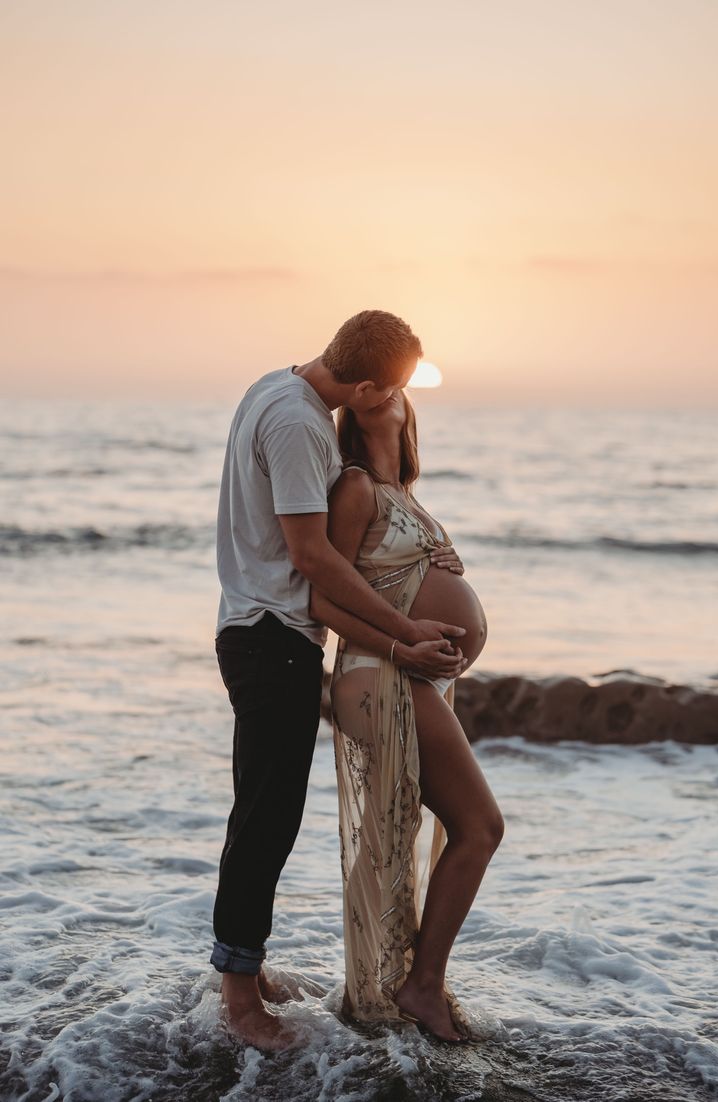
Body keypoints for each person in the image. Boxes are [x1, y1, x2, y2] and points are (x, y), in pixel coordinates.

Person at [210, 309, 470, 1051]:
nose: (392, 402)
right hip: (272, 636)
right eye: (385, 391)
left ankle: (243, 969)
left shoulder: (279, 387)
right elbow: (315, 559)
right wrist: (404, 633)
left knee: (264, 809)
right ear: (360, 384)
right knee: (266, 815)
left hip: (265, 633)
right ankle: (239, 1000)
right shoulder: (299, 425)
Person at [309, 389, 505, 1043]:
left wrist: (434, 562)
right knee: (479, 826)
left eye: (398, 383)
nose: (387, 389)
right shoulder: (357, 487)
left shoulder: (408, 495)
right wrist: (401, 637)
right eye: (373, 384)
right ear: (355, 412)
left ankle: (392, 989)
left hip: (412, 680)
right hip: (377, 675)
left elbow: (392, 576)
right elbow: (320, 596)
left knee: (394, 842)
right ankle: (419, 986)